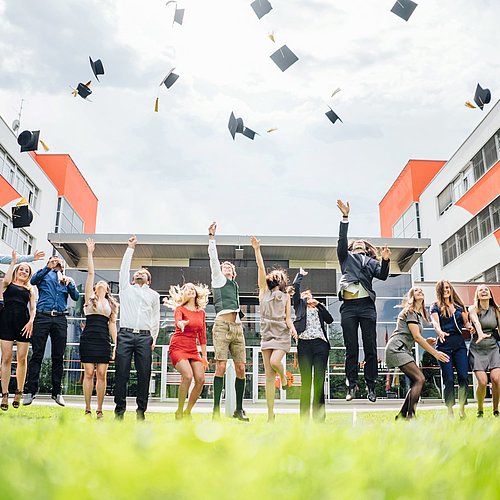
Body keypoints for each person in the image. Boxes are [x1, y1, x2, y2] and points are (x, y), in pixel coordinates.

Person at [336, 200, 390, 402]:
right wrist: (345, 218)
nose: (358, 242)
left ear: (367, 249)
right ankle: (351, 386)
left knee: (370, 347)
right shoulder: (346, 258)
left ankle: (371, 386)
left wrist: (385, 261)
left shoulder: (372, 262)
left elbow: (383, 276)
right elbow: (342, 242)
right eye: (355, 242)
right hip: (349, 307)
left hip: (366, 307)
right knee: (351, 347)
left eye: (361, 242)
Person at [385, 287, 450, 420]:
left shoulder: (417, 314)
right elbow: (416, 337)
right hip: (396, 348)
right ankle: (410, 415)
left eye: (421, 290)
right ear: (411, 296)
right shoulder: (410, 312)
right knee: (420, 379)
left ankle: (403, 416)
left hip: (401, 349)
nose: (420, 291)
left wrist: (426, 341)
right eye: (416, 291)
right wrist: (435, 353)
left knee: (417, 380)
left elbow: (413, 336)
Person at [23, 255, 80, 406]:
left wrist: (70, 284)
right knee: (37, 354)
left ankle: (57, 392)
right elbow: (33, 281)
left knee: (58, 356)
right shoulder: (43, 275)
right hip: (43, 316)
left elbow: (75, 297)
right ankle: (30, 391)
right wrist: (48, 267)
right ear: (50, 261)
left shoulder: (67, 280)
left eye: (59, 261)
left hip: (60, 319)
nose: (57, 262)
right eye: (54, 259)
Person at [251, 235, 297, 422]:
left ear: (283, 281)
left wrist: (293, 329)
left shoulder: (286, 297)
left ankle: (284, 378)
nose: (276, 277)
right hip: (267, 334)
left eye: (280, 276)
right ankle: (270, 414)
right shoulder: (263, 292)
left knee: (275, 362)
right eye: (274, 276)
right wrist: (256, 249)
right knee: (268, 376)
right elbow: (261, 268)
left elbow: (287, 318)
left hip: (281, 334)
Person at [114, 235, 160, 421]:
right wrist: (130, 248)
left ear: (148, 280)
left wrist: (154, 339)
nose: (139, 274)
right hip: (125, 335)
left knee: (144, 375)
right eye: (137, 273)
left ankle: (141, 412)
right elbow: (123, 270)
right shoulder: (126, 289)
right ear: (132, 279)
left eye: (143, 273)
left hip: (144, 337)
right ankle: (119, 412)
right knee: (121, 374)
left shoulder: (154, 295)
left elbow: (156, 319)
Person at [208, 222, 249, 421]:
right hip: (222, 327)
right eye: (223, 266)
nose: (224, 267)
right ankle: (216, 410)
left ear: (233, 272)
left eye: (228, 266)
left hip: (237, 328)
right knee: (221, 366)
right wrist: (212, 238)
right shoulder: (218, 280)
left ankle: (238, 410)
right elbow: (213, 260)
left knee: (241, 368)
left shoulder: (235, 285)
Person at [80, 239, 119, 418]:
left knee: (102, 374)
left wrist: (115, 344)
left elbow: (112, 324)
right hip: (89, 337)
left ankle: (100, 409)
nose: (101, 283)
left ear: (108, 289)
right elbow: (90, 273)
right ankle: (87, 408)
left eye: (104, 283)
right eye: (99, 283)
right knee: (89, 373)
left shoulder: (110, 304)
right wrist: (90, 252)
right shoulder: (90, 298)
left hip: (103, 339)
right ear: (95, 287)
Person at [292, 267, 333, 421]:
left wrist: (320, 305)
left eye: (309, 296)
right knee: (306, 382)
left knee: (319, 381)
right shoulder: (299, 306)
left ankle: (319, 417)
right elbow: (295, 290)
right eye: (304, 296)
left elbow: (330, 320)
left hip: (320, 345)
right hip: (304, 345)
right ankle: (303, 418)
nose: (307, 298)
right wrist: (300, 276)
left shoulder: (318, 309)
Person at [165, 282, 209, 420]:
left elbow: (202, 336)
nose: (190, 290)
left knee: (201, 379)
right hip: (178, 346)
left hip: (192, 349)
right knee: (188, 376)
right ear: (184, 294)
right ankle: (179, 410)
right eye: (187, 289)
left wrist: (204, 357)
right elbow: (178, 320)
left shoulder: (201, 313)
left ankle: (187, 411)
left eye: (192, 289)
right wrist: (181, 323)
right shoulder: (180, 309)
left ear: (196, 293)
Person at [430, 280, 473, 418]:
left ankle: (462, 408)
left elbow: (465, 322)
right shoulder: (435, 306)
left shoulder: (459, 306)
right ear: (439, 291)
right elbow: (435, 323)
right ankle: (450, 409)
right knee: (448, 378)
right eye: (443, 288)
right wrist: (440, 332)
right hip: (444, 344)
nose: (446, 290)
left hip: (459, 345)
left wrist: (469, 326)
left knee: (464, 376)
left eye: (448, 287)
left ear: (451, 289)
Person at [0, 251, 36, 411]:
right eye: (21, 269)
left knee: (22, 359)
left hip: (23, 323)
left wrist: (30, 322)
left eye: (26, 271)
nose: (23, 272)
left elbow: (33, 308)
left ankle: (19, 392)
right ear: (16, 271)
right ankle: (5, 394)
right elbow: (7, 279)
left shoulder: (30, 289)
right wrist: (14, 261)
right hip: (6, 321)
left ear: (29, 275)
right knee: (6, 358)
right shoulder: (7, 283)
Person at [467, 284, 500, 418]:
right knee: (482, 382)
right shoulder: (473, 309)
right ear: (477, 295)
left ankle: (495, 410)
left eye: (486, 289)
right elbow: (475, 321)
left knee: (496, 379)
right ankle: (480, 409)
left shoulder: (496, 310)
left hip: (493, 348)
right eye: (481, 290)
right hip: (477, 349)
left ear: (490, 294)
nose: (484, 291)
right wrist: (480, 333)